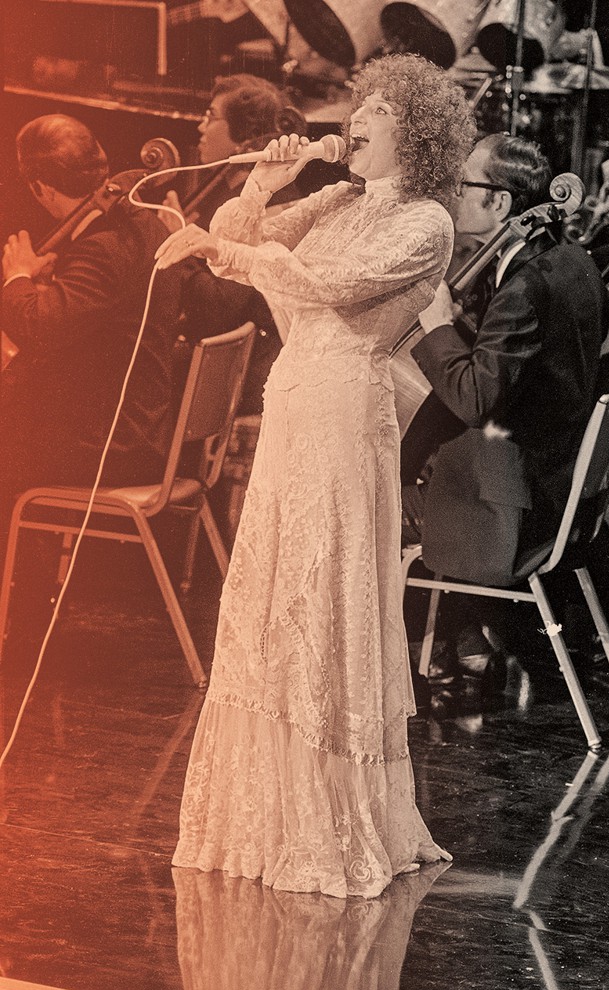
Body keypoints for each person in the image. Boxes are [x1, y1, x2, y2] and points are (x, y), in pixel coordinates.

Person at [155, 52, 476, 898]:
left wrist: (238, 246)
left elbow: (328, 286)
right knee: (273, 590)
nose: (353, 118)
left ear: (412, 130)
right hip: (296, 399)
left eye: (372, 108)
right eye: (357, 104)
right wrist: (269, 182)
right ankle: (265, 810)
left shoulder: (428, 224)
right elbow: (237, 250)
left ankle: (332, 815)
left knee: (324, 587)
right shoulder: (338, 197)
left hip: (344, 413)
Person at [404, 134, 609, 680]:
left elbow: (476, 398)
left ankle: (421, 649)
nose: (450, 195)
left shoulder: (525, 287)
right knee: (425, 451)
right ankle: (464, 633)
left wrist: (439, 325)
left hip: (515, 512)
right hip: (562, 490)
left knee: (387, 484)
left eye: (461, 185)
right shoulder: (575, 264)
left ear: (498, 202)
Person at [1, 114, 181, 563]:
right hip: (135, 430)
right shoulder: (147, 225)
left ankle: (18, 591)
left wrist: (18, 277)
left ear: (41, 188)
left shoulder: (102, 247)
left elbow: (40, 330)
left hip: (108, 447)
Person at [162, 74, 309, 415]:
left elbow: (217, 308)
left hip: (241, 375)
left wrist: (177, 238)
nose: (201, 126)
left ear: (244, 137)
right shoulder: (228, 190)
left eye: (211, 116)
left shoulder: (269, 205)